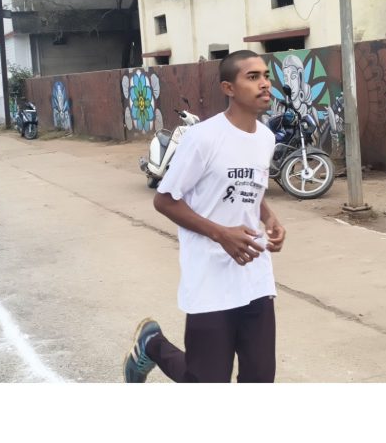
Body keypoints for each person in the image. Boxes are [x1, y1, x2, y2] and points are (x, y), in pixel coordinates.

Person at [123, 50, 286, 384]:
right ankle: (152, 345)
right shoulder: (203, 138)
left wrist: (269, 217)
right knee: (205, 381)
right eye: (252, 77)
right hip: (210, 279)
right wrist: (220, 234)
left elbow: (248, 186)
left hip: (254, 276)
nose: (264, 84)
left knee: (260, 380)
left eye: (266, 76)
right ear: (228, 88)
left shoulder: (266, 138)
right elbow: (165, 200)